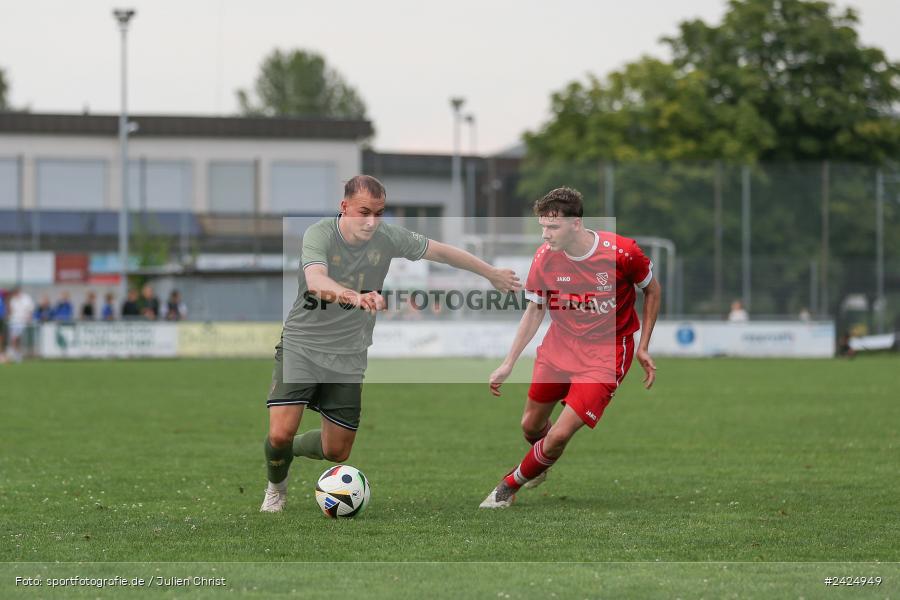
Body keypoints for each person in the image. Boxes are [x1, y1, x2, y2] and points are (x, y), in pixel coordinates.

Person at [260, 174, 520, 512]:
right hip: (303, 345)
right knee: (279, 434)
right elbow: (315, 281)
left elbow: (441, 252)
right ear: (344, 207)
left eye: (379, 213)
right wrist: (354, 297)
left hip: (349, 355)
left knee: (337, 451)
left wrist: (491, 273)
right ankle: (276, 488)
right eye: (364, 212)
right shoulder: (319, 233)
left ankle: (287, 449)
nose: (372, 222)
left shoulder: (387, 237)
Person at [480, 187, 662, 508]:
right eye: (542, 227)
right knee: (530, 426)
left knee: (560, 435)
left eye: (553, 227)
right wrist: (509, 362)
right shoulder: (544, 257)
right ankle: (540, 458)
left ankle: (507, 487)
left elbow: (653, 291)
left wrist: (644, 345)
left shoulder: (622, 252)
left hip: (605, 355)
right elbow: (535, 309)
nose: (545, 235)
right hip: (559, 347)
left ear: (576, 223)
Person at [7, 288, 35, 363]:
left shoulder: (26, 298)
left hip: (23, 321)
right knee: (14, 337)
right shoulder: (13, 300)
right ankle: (16, 354)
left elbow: (31, 309)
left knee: (18, 338)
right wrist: (9, 316)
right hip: (14, 321)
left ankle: (15, 353)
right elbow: (11, 310)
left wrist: (29, 317)